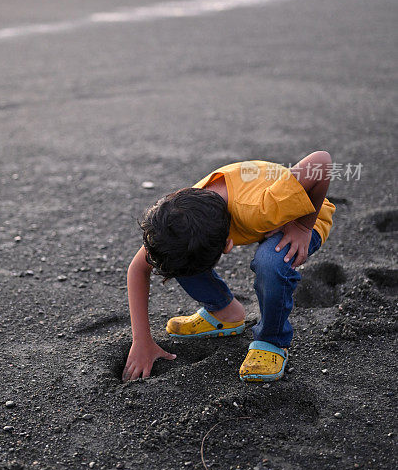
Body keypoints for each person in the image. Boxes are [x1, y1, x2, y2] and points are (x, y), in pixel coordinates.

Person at [122, 150, 335, 383]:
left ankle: (272, 340)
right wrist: (141, 340)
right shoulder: (180, 216)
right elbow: (137, 269)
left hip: (305, 213)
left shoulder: (264, 208)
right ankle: (225, 312)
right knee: (175, 256)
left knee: (269, 262)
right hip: (262, 201)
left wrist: (303, 227)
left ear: (228, 245)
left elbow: (321, 162)